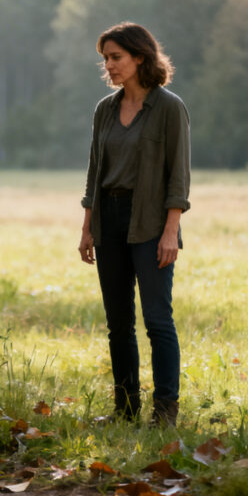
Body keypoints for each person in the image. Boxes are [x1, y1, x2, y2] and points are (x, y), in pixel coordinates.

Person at [78, 22, 190, 427]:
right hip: (109, 222)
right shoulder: (104, 110)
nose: (108, 65)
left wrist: (171, 231)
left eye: (116, 57)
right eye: (105, 58)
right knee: (118, 324)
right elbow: (95, 172)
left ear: (140, 57)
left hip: (151, 223)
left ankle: (165, 412)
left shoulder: (169, 108)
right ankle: (125, 411)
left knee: (158, 320)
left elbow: (178, 176)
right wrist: (88, 226)